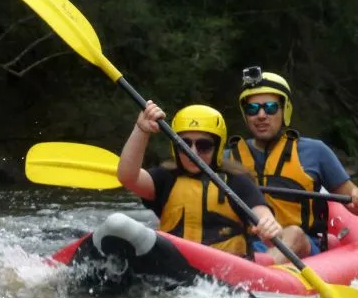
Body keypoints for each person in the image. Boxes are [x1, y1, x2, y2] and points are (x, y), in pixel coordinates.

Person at [227, 67, 358, 264]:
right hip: (247, 245)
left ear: (284, 110)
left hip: (303, 246)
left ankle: (258, 271)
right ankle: (246, 265)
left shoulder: (315, 152)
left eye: (270, 108)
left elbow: (357, 209)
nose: (261, 115)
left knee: (294, 234)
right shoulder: (227, 159)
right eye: (252, 109)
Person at [117, 101, 283, 258]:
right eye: (184, 144)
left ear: (217, 147)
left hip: (225, 273)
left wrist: (269, 227)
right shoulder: (165, 178)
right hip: (176, 263)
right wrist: (141, 130)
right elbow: (128, 177)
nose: (193, 152)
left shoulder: (237, 182)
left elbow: (266, 223)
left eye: (203, 145)